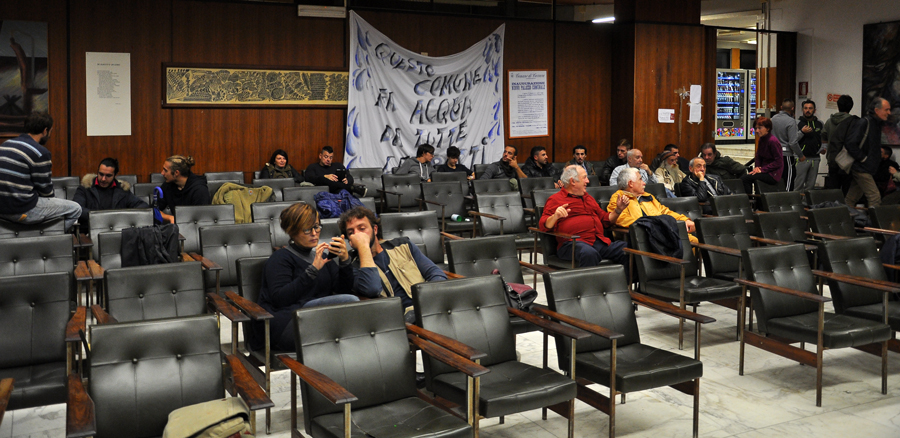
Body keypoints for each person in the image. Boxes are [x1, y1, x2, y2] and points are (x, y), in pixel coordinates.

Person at [249, 203, 359, 351]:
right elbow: (280, 299)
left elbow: (342, 290)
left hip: (317, 318)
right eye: (307, 229)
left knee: (352, 310)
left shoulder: (323, 257)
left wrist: (345, 261)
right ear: (292, 231)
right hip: (286, 322)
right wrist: (312, 270)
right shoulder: (280, 258)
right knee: (349, 302)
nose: (314, 233)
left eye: (317, 227)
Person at [341, 206, 446, 323]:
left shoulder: (403, 245)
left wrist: (425, 302)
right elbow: (372, 289)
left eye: (362, 229)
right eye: (351, 233)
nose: (358, 235)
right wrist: (363, 246)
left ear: (375, 229)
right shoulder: (353, 267)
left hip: (429, 307)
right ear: (350, 241)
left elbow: (436, 274)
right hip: (399, 320)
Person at [0, 111, 81, 231]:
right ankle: (48, 237)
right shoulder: (40, 152)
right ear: (45, 130)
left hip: (2, 208)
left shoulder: (5, 145)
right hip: (21, 210)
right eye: (50, 131)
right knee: (75, 209)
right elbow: (46, 191)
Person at [539, 165, 628, 270]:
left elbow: (605, 220)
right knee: (589, 253)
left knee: (627, 249)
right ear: (573, 181)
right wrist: (555, 216)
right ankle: (589, 282)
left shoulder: (588, 198)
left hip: (597, 242)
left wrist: (618, 210)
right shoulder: (556, 199)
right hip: (572, 244)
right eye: (584, 177)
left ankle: (623, 280)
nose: (587, 181)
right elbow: (543, 225)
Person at [608, 167, 697, 243]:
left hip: (662, 232)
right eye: (640, 179)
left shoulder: (648, 196)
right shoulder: (618, 198)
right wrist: (654, 225)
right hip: (643, 238)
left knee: (693, 240)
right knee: (686, 242)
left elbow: (665, 212)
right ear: (631, 183)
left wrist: (684, 220)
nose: (644, 183)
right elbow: (621, 219)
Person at [73, 157, 150, 233]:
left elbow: (142, 206)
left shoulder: (122, 190)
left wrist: (122, 217)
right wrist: (100, 217)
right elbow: (77, 209)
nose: (103, 179)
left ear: (115, 175)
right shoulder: (85, 188)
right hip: (90, 231)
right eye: (101, 174)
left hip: (116, 233)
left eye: (108, 176)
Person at [845, 97, 891, 207]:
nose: (889, 113)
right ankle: (873, 219)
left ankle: (843, 216)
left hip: (867, 168)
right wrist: (863, 159)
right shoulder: (864, 122)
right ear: (876, 110)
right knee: (874, 197)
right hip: (861, 168)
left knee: (852, 197)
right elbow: (850, 143)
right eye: (886, 109)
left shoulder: (876, 124)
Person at [156, 155, 211, 224]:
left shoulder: (199, 190)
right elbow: (154, 210)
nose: (162, 173)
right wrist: (169, 217)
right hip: (176, 227)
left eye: (165, 170)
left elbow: (202, 219)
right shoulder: (168, 185)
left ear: (176, 173)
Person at [741, 117, 784, 195]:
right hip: (765, 170)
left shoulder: (772, 141)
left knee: (745, 179)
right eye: (756, 128)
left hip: (773, 174)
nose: (757, 131)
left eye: (760, 128)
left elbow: (778, 162)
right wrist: (757, 167)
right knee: (747, 177)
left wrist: (762, 169)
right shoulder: (762, 139)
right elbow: (758, 156)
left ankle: (749, 200)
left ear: (767, 128)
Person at [822, 95, 856, 193]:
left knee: (833, 191)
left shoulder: (829, 121)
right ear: (851, 106)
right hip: (847, 160)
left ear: (838, 106)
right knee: (846, 190)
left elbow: (823, 137)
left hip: (832, 159)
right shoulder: (853, 121)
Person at [794, 100, 824, 192]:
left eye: (810, 108)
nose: (808, 110)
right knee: (798, 186)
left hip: (815, 158)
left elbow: (824, 138)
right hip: (801, 158)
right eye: (805, 108)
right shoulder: (797, 123)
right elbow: (792, 140)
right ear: (802, 110)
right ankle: (796, 201)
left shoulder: (820, 123)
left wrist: (823, 148)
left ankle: (807, 201)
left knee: (810, 187)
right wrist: (802, 132)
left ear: (814, 110)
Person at [772, 98, 802, 191]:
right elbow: (793, 142)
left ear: (781, 107)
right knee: (788, 181)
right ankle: (787, 199)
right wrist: (800, 155)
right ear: (792, 108)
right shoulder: (791, 121)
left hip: (773, 154)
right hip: (786, 155)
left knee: (776, 180)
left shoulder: (773, 119)